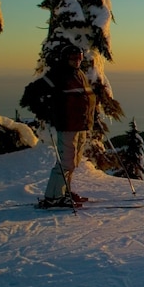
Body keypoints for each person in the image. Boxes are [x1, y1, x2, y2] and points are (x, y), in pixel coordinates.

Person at [37, 44, 97, 207]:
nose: (77, 61)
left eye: (79, 57)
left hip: (80, 123)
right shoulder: (59, 75)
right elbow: (41, 95)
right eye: (73, 58)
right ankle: (53, 197)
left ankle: (64, 192)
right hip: (67, 124)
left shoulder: (78, 74)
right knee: (66, 162)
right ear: (66, 58)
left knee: (73, 161)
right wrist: (48, 112)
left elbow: (84, 97)